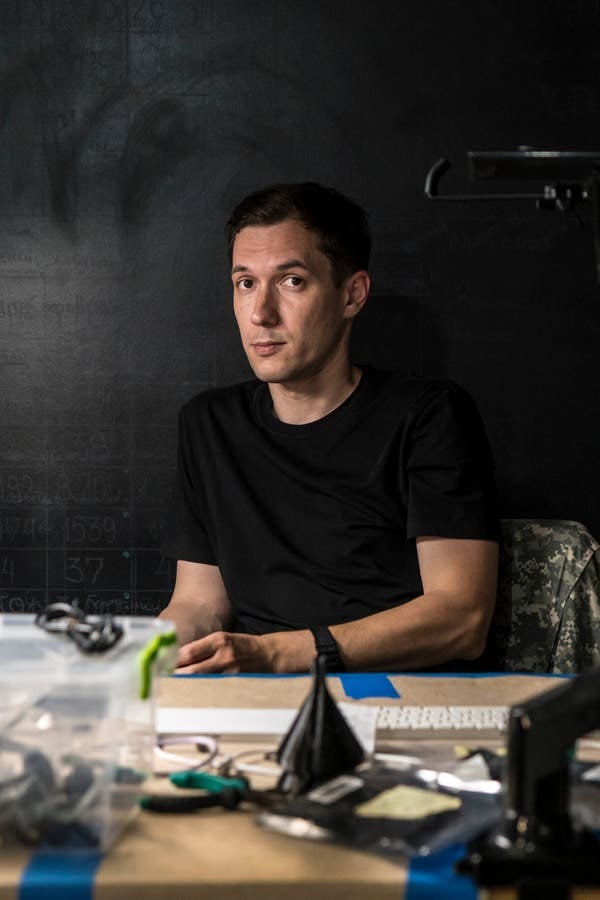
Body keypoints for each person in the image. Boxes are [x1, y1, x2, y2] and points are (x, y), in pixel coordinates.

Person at [159, 181, 499, 674]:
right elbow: (198, 606)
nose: (260, 313)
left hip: (398, 693)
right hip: (256, 693)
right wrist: (138, 655)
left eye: (291, 281)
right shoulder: (208, 423)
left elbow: (461, 619)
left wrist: (276, 652)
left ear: (352, 295)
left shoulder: (429, 415)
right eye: (245, 283)